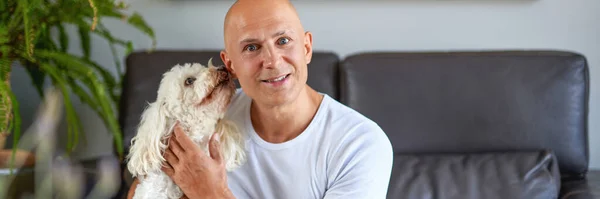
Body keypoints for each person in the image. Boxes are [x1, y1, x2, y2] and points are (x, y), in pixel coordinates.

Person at [127, 0, 394, 198]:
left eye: (283, 40)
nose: (272, 61)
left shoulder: (361, 145)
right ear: (229, 64)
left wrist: (211, 193)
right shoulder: (206, 113)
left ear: (307, 48)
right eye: (251, 47)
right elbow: (142, 188)